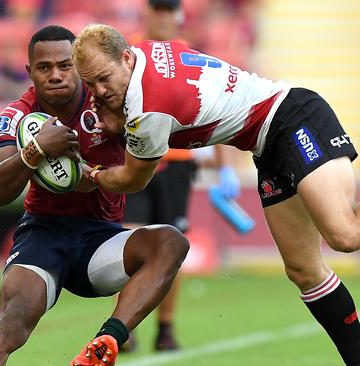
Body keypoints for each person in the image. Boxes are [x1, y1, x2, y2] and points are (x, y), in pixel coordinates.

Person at [71, 24, 360, 366]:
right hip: (267, 145)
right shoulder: (141, 51)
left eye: (105, 79)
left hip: (293, 118)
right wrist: (112, 113)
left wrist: (92, 175)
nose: (100, 92)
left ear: (125, 58)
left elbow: (133, 180)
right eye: (91, 85)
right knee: (303, 270)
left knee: (345, 235)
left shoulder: (149, 107)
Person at [0, 25, 189, 366]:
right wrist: (36, 149)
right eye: (44, 68)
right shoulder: (18, 115)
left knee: (170, 242)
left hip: (100, 238)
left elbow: (144, 165)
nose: (56, 75)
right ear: (30, 72)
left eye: (65, 65)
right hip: (43, 234)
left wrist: (99, 170)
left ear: (78, 65)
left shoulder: (109, 99)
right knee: (10, 325)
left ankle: (106, 343)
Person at [119, 0, 240, 352]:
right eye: (157, 10)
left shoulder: (190, 56)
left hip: (177, 162)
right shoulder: (127, 52)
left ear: (178, 16)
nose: (162, 17)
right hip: (135, 160)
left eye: (168, 10)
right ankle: (123, 327)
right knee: (129, 245)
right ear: (147, 14)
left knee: (171, 247)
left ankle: (166, 328)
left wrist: (225, 165)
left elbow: (214, 108)